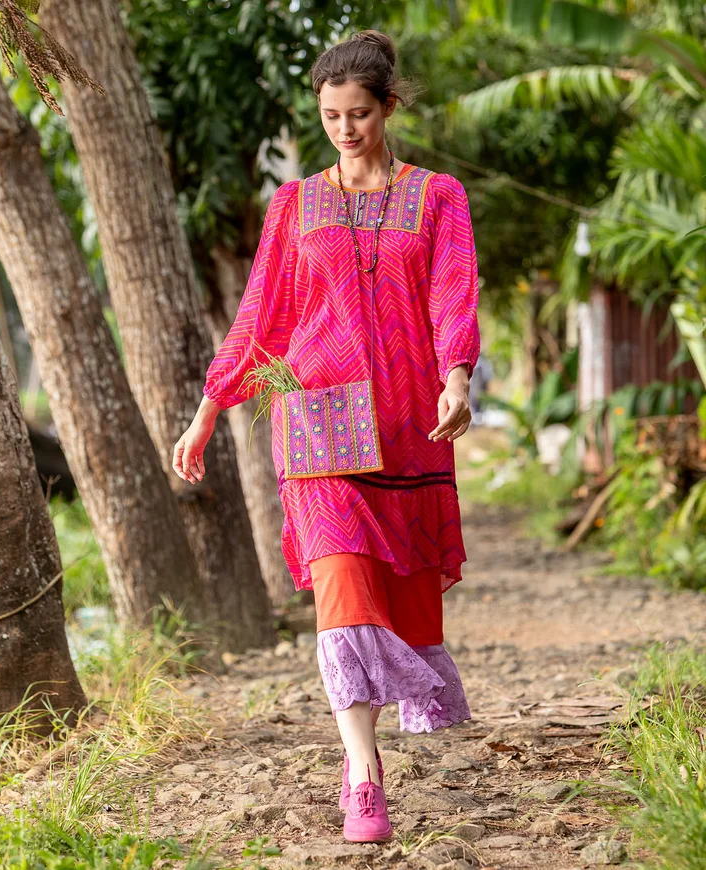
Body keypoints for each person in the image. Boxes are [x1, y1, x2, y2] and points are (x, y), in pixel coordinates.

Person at [172, 29, 480, 844]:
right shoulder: (294, 205)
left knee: (401, 596)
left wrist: (457, 377)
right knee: (342, 588)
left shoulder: (439, 195)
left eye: (359, 115)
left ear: (388, 108)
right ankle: (362, 773)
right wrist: (210, 407)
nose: (345, 130)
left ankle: (377, 746)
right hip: (316, 419)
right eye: (331, 116)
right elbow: (261, 315)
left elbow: (453, 294)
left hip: (411, 423)